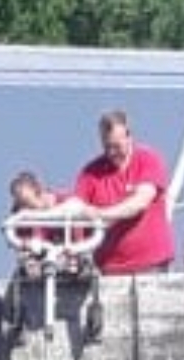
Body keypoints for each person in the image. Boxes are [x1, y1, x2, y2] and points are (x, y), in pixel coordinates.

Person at [68, 109, 174, 275]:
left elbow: (140, 202)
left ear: (129, 136)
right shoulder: (90, 173)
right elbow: (75, 210)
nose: (111, 152)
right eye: (107, 146)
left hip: (152, 268)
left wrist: (101, 214)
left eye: (116, 146)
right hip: (109, 271)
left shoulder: (148, 159)